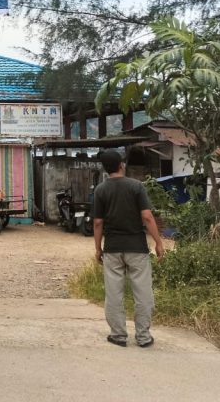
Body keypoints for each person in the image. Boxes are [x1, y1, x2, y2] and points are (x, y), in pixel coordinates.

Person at [92, 148, 165, 348]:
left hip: (113, 248)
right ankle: (143, 336)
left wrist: (98, 248)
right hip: (137, 248)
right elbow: (147, 216)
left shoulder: (100, 190)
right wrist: (158, 242)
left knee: (114, 294)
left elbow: (98, 222)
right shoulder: (136, 186)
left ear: (106, 169)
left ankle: (118, 335)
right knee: (143, 293)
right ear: (121, 165)